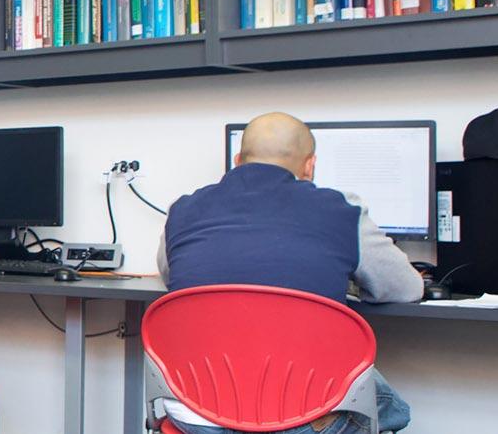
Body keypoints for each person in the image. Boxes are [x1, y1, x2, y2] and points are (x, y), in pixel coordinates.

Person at [157, 112, 417, 434]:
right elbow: (404, 288)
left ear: (237, 160)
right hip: (302, 420)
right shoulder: (343, 210)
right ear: (310, 165)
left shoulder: (182, 210)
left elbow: (172, 280)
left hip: (195, 414)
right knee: (387, 407)